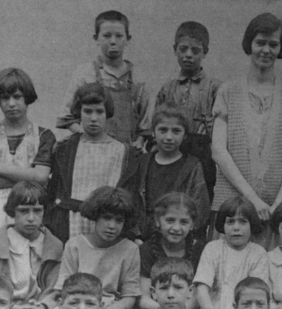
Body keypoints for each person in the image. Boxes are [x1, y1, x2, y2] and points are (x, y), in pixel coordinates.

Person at [210, 12, 282, 246]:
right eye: (260, 42)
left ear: (281, 48)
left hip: (278, 209)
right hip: (234, 208)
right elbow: (218, 152)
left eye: (273, 44)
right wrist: (252, 199)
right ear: (249, 44)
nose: (266, 50)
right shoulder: (228, 92)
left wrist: (277, 205)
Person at [45, 83, 145, 243]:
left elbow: (131, 199)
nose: (93, 118)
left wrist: (134, 234)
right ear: (79, 113)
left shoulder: (124, 152)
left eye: (99, 112)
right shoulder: (64, 149)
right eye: (87, 111)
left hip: (108, 227)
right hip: (70, 225)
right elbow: (53, 193)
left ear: (107, 114)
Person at [44, 187, 141, 309]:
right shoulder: (75, 245)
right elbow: (62, 289)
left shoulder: (130, 249)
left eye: (119, 220)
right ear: (96, 217)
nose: (112, 226)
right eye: (107, 218)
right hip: (77, 305)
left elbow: (129, 299)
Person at [0, 68, 56, 234]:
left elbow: (41, 176)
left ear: (27, 98)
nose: (11, 103)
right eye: (5, 98)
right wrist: (30, 181)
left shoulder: (44, 135)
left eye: (17, 97)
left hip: (29, 212)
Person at [57, 10, 151, 148]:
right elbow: (67, 118)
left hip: (126, 152)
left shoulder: (138, 78)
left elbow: (145, 124)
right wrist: (87, 136)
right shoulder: (84, 73)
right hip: (92, 150)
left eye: (119, 36)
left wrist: (139, 142)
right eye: (107, 36)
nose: (113, 41)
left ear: (128, 39)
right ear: (96, 38)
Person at [154, 21, 221, 201]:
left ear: (205, 52)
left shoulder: (215, 88)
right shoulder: (167, 89)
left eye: (195, 50)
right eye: (183, 49)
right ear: (175, 49)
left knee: (200, 196)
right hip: (172, 150)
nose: (188, 55)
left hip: (204, 152)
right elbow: (157, 124)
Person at [0, 181, 63, 309]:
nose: (31, 218)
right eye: (24, 211)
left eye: (37, 211)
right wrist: (11, 308)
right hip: (4, 308)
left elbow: (55, 287)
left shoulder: (53, 245)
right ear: (13, 211)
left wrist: (43, 307)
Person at [194, 197, 269, 309]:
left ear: (252, 225)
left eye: (242, 222)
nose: (236, 228)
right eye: (230, 222)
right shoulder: (213, 248)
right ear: (223, 225)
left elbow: (258, 293)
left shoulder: (258, 253)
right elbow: (201, 288)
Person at [141, 104, 210, 240]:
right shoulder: (143, 163)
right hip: (146, 235)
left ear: (185, 135)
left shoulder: (192, 166)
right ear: (153, 133)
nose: (169, 137)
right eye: (163, 130)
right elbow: (135, 202)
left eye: (176, 131)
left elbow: (200, 205)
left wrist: (186, 233)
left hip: (179, 235)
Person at [138, 193, 205, 309]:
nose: (176, 228)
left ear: (192, 225)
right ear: (157, 220)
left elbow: (197, 296)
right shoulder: (146, 250)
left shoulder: (199, 250)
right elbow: (144, 298)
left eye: (184, 222)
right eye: (170, 220)